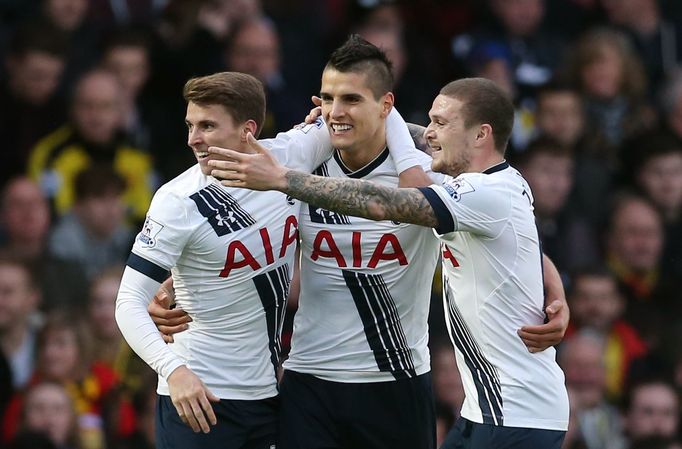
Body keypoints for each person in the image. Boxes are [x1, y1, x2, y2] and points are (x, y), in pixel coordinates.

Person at [209, 76, 570, 448]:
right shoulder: (499, 185)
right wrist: (356, 119)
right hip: (482, 411)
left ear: (481, 135)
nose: (429, 133)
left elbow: (387, 203)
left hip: (520, 415)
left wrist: (283, 179)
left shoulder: (484, 194)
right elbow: (528, 250)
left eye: (441, 123)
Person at [114, 71, 333, 449]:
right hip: (198, 399)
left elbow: (366, 111)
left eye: (207, 126)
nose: (193, 139)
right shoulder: (177, 200)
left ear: (248, 130)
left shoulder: (288, 159)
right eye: (190, 125)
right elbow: (128, 303)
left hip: (267, 395)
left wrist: (331, 106)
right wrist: (174, 372)